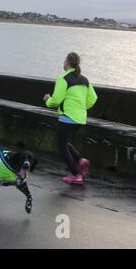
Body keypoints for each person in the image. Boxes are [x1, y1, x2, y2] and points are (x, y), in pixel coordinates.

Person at [43, 52, 98, 185]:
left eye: (64, 61)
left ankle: (76, 175)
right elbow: (93, 99)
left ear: (67, 63)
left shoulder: (63, 78)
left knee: (62, 146)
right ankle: (80, 160)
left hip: (68, 117)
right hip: (80, 118)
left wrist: (47, 100)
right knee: (65, 142)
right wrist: (81, 108)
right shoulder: (85, 79)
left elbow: (56, 101)